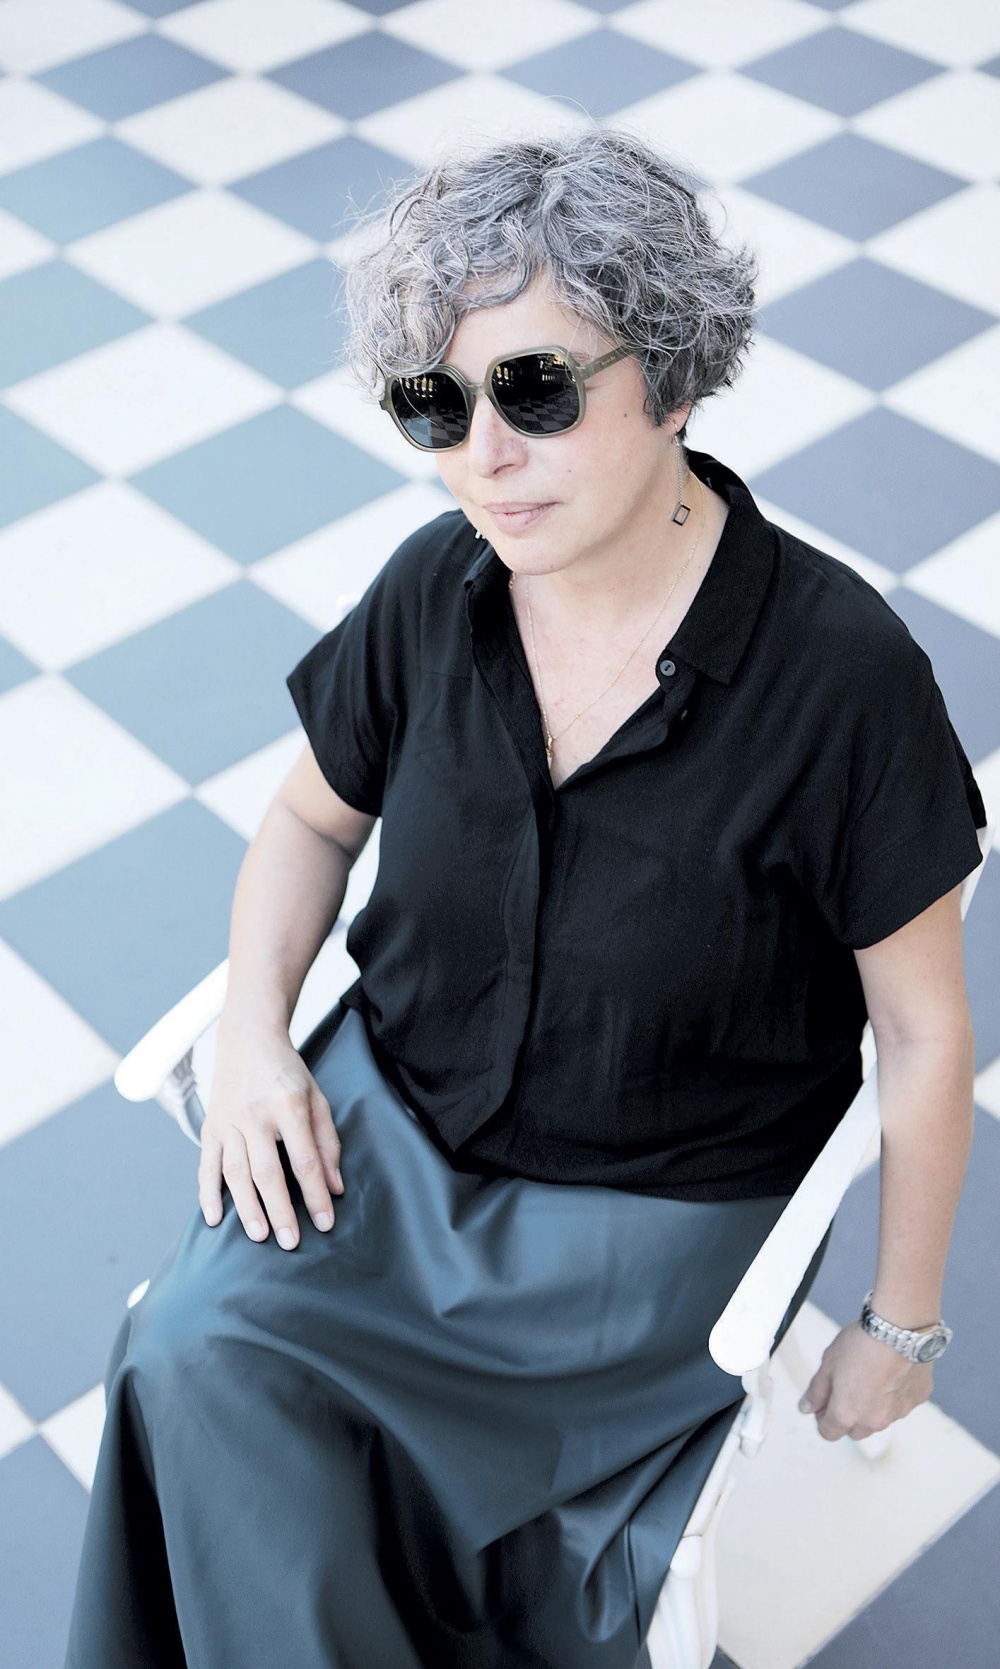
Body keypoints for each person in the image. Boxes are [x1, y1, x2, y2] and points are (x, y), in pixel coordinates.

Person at [65, 130, 985, 1669]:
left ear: (672, 379)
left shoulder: (842, 676)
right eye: (434, 404)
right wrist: (254, 1036)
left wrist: (901, 1325)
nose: (481, 451)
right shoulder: (434, 589)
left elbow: (926, 1028)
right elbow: (305, 820)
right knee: (191, 1346)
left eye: (535, 389)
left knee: (487, 1526)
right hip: (389, 1146)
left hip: (647, 1227)